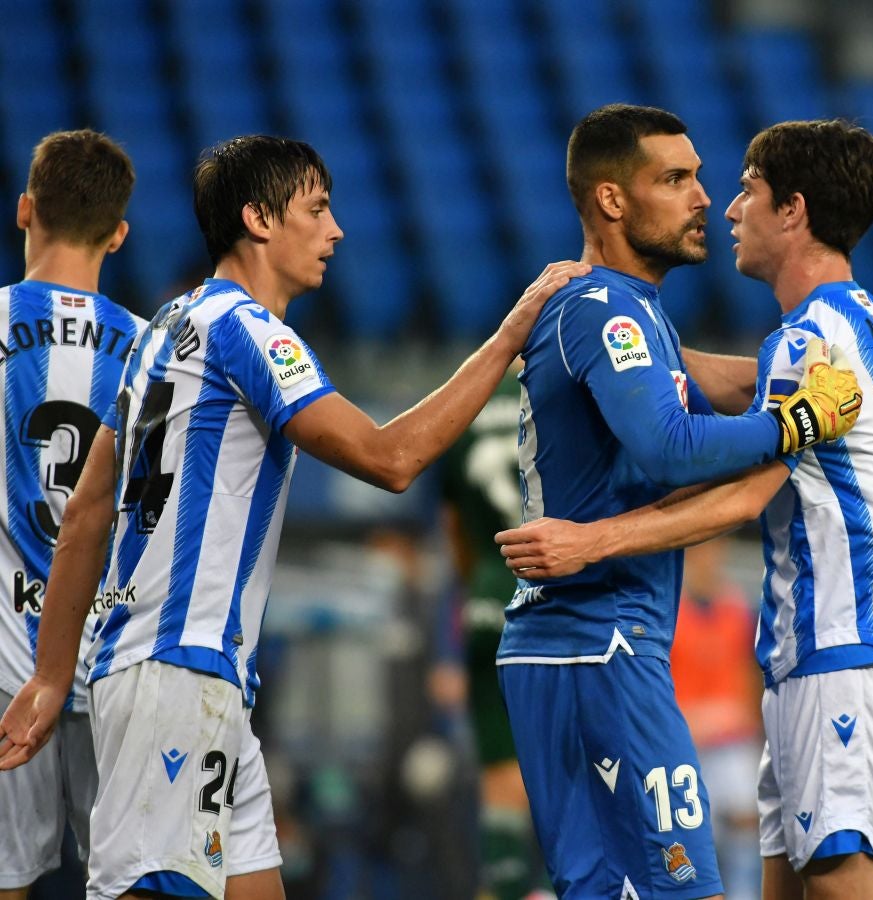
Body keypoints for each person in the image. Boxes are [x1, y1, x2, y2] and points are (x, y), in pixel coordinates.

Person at [0, 134, 588, 900]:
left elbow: (84, 516)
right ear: (259, 220)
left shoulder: (161, 331)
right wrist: (511, 335)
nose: (336, 230)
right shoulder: (249, 331)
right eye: (317, 208)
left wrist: (50, 676)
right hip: (177, 670)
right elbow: (391, 459)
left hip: (196, 676)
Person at [496, 119, 873, 900]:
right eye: (685, 180)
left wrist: (592, 540)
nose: (722, 207)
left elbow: (734, 485)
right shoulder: (867, 327)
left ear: (791, 211)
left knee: (834, 885)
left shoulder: (809, 343)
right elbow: (754, 409)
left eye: (745, 189)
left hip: (844, 643)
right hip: (814, 650)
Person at [0, 129, 141, 900]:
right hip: (116, 669)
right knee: (126, 883)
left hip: (2, 668)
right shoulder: (156, 350)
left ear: (25, 210)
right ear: (118, 234)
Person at [435, 368, 552, 899]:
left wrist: (481, 582)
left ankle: (502, 890)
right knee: (567, 773)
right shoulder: (564, 394)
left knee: (501, 782)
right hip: (556, 596)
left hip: (486, 597)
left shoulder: (468, 405)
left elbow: (452, 529)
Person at [668, 539, 763, 900]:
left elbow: (747, 673)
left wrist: (752, 727)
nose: (709, 560)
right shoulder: (671, 609)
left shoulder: (736, 605)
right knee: (694, 843)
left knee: (744, 829)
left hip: (732, 736)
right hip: (686, 740)